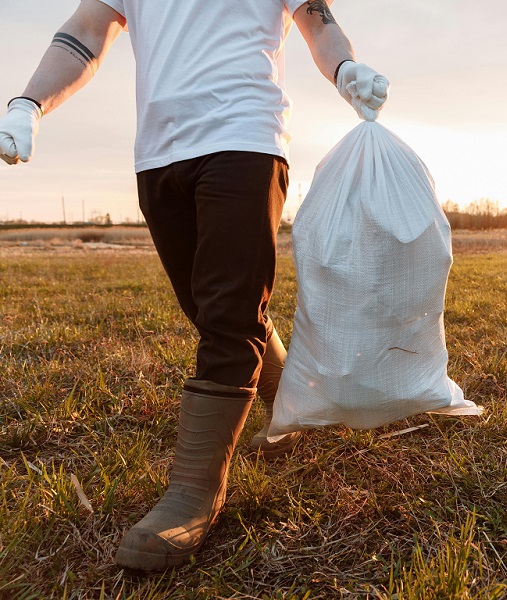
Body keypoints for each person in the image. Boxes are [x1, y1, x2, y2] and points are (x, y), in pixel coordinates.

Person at [0, 0, 388, 571]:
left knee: (229, 316)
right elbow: (85, 30)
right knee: (213, 308)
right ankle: (294, 403)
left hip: (245, 138)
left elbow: (317, 21)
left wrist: (345, 69)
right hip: (159, 153)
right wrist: (27, 103)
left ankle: (192, 495)